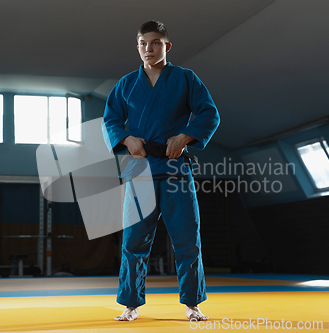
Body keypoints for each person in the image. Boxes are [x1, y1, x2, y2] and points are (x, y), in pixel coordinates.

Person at [102, 20, 220, 322]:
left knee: (187, 238)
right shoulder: (126, 84)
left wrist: (186, 136)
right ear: (137, 47)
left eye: (154, 43)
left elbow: (209, 113)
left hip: (176, 168)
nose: (148, 49)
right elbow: (111, 120)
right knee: (133, 240)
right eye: (143, 43)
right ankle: (131, 304)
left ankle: (193, 304)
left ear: (167, 46)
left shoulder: (185, 79)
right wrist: (126, 139)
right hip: (140, 168)